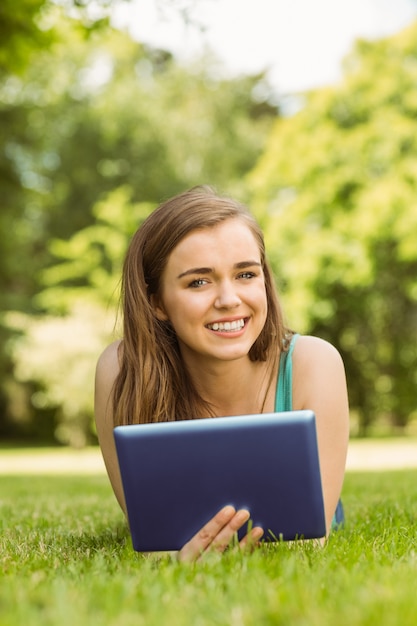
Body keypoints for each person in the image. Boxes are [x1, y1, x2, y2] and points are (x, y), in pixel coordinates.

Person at [94, 185, 349, 562]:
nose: (229, 300)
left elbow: (309, 542)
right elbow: (153, 541)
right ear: (157, 302)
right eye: (199, 281)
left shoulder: (315, 362)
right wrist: (174, 558)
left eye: (246, 274)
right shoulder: (120, 370)